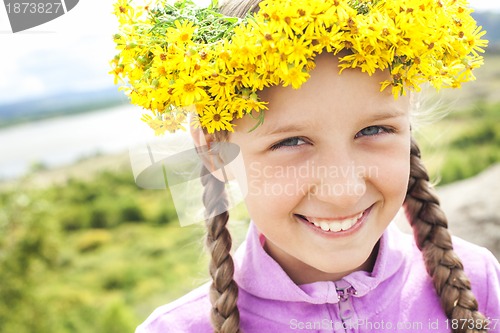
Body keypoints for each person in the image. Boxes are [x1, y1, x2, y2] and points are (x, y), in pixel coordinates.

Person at [111, 0, 500, 332]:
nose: (343, 190)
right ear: (214, 150)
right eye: (291, 142)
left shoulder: (477, 280)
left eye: (375, 129)